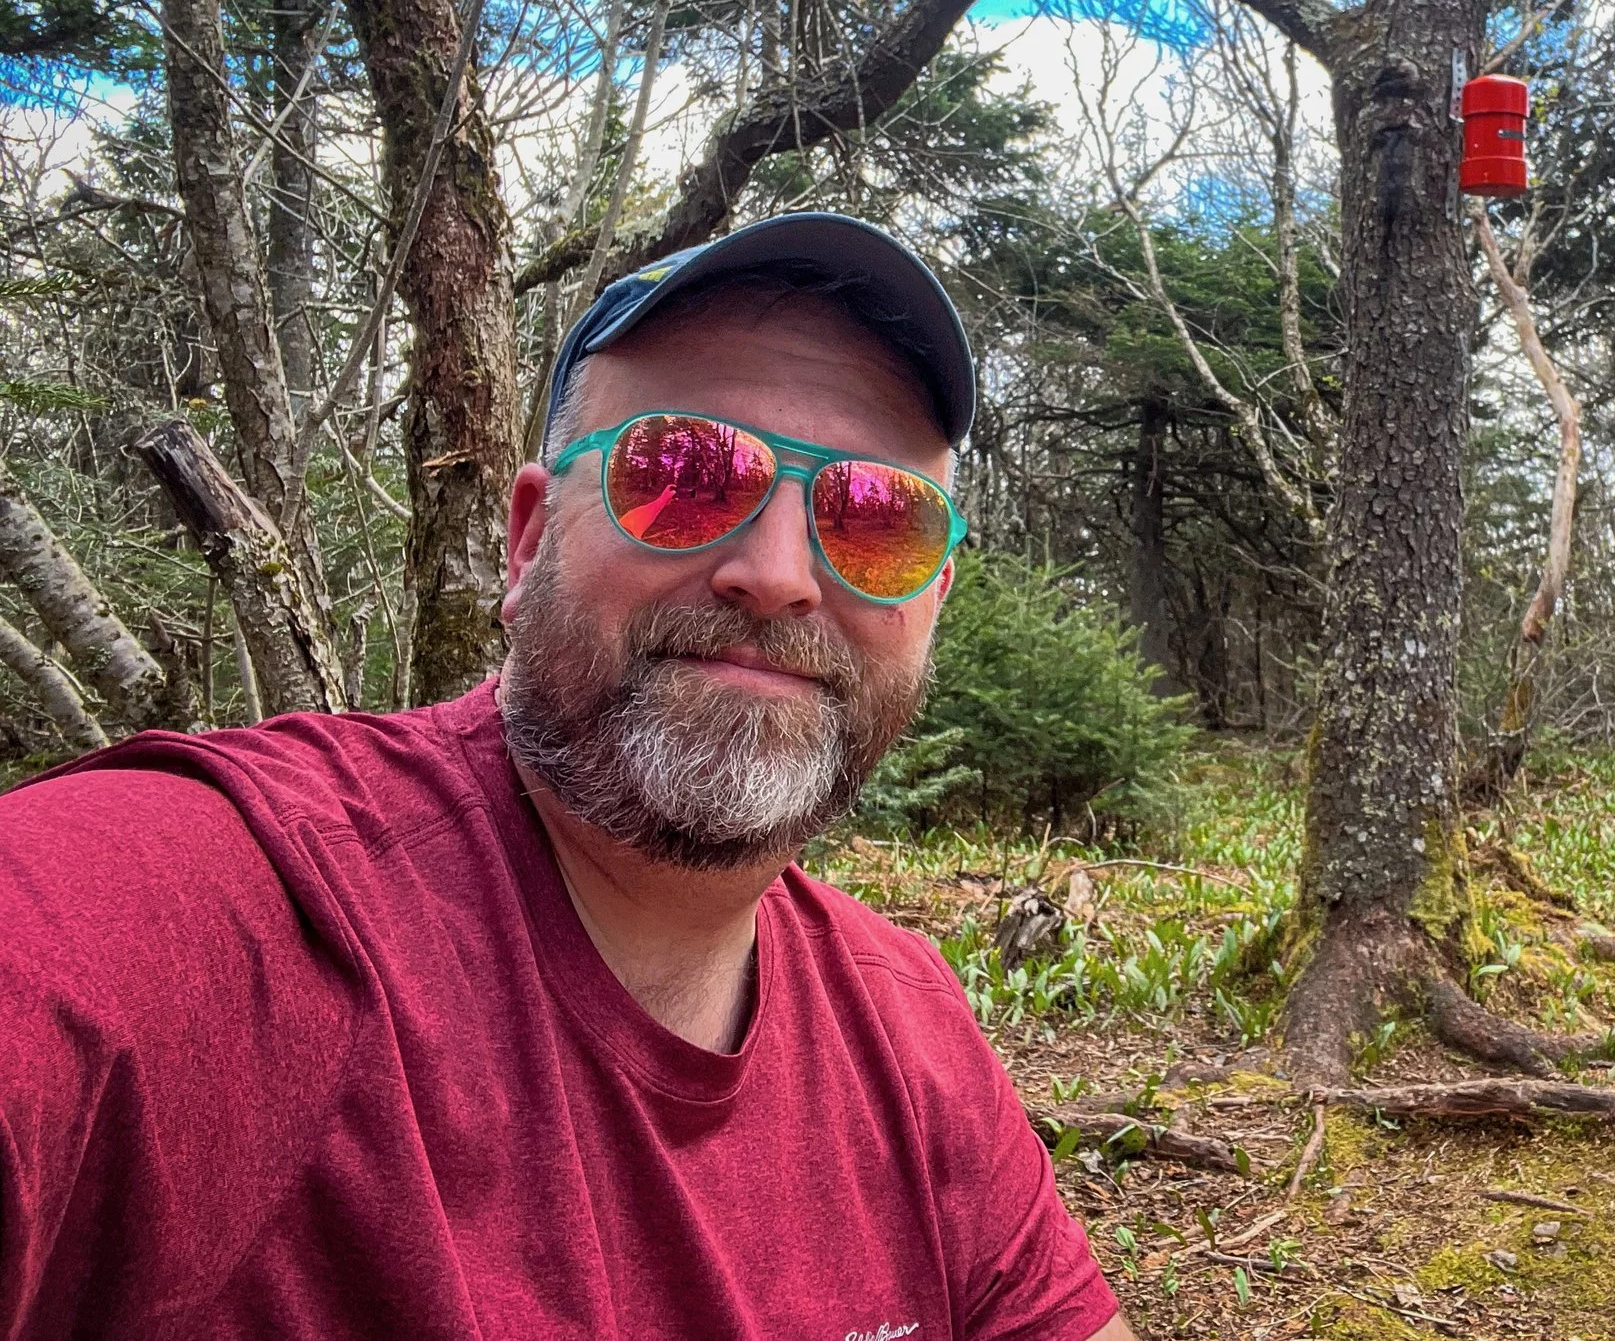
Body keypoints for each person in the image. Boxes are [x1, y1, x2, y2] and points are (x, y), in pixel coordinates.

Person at [0, 213, 1134, 1341]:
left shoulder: (914, 1037)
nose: (779, 575)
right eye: (683, 474)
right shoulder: (213, 917)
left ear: (929, 603)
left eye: (877, 518)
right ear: (529, 540)